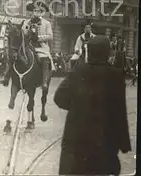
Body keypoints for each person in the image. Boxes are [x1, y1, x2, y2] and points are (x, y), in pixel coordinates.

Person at [54, 35, 131, 175]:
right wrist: (124, 143)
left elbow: (59, 98)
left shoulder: (78, 71)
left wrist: (78, 107)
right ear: (107, 52)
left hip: (75, 145)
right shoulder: (115, 76)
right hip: (103, 145)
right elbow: (120, 113)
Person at [0, 0, 54, 89]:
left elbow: (50, 36)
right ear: (33, 12)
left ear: (42, 13)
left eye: (39, 11)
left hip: (41, 47)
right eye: (35, 11)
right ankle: (6, 77)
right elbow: (23, 32)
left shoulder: (47, 23)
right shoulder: (27, 22)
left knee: (45, 60)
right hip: (27, 46)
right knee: (14, 57)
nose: (36, 13)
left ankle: (44, 82)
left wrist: (39, 38)